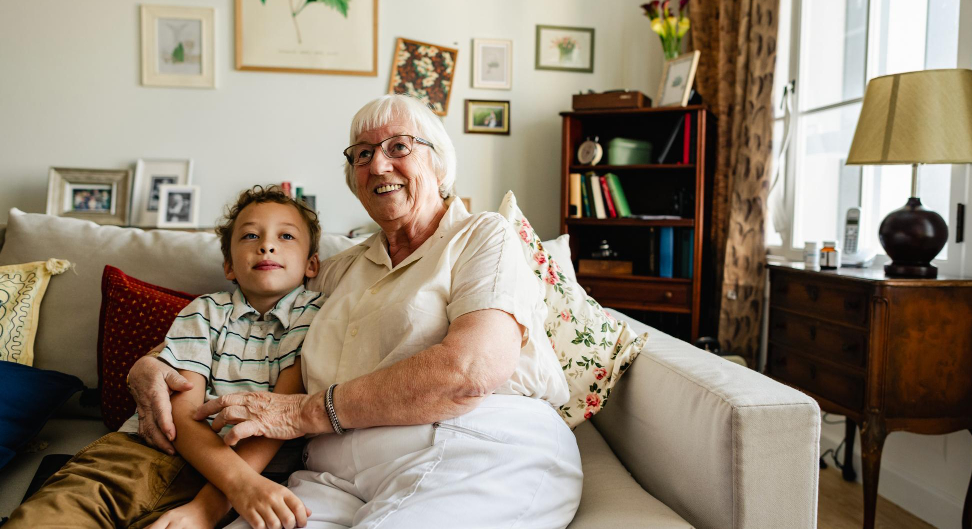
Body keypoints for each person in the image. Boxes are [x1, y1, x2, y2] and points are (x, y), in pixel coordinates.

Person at [127, 94, 583, 529]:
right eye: (362, 155)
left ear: (438, 162)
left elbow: (468, 373)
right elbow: (251, 314)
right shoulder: (336, 270)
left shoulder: (482, 236)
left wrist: (303, 413)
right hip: (333, 475)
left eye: (398, 146)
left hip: (471, 446)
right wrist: (150, 362)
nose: (378, 164)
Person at [7, 186, 326, 529]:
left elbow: (277, 419)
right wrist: (240, 486)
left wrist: (220, 500)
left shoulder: (318, 318)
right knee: (54, 513)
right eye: (250, 235)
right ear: (229, 266)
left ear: (312, 265)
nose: (266, 244)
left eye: (286, 236)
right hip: (151, 454)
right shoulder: (205, 310)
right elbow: (182, 411)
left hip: (257, 473)